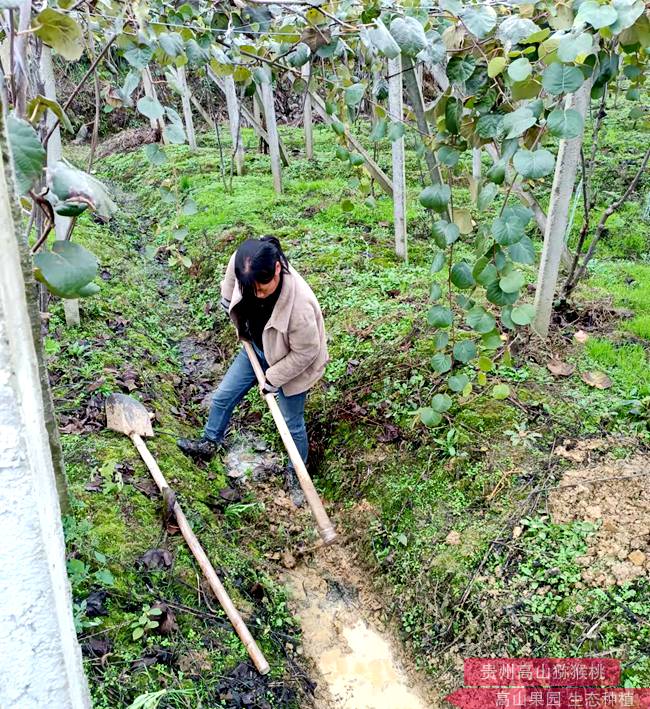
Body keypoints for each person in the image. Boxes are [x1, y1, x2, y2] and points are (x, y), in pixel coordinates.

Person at [177, 236, 328, 506]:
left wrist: (273, 378)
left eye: (262, 288)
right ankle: (210, 442)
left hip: (292, 365)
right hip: (256, 348)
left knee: (292, 423)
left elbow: (307, 352)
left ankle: (297, 473)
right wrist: (227, 296)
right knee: (223, 396)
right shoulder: (245, 262)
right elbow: (233, 267)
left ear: (278, 270)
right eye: (250, 289)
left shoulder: (300, 306)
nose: (256, 294)